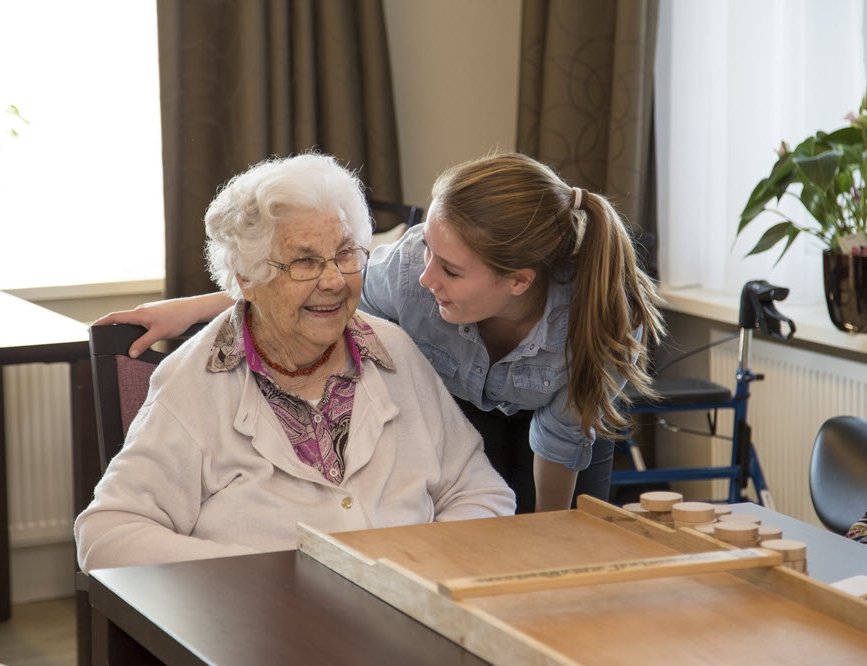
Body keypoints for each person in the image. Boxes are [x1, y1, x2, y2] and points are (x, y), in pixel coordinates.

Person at [93, 152, 665, 514]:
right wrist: (199, 306)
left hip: (563, 438)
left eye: (451, 269)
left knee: (556, 549)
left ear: (518, 281)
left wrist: (546, 546)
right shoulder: (413, 270)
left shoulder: (596, 320)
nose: (425, 276)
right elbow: (315, 289)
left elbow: (554, 448)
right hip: (467, 408)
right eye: (428, 251)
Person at [75, 153, 515, 573]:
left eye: (346, 254)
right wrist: (263, 580)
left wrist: (426, 567)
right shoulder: (199, 381)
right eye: (304, 261)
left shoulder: (393, 350)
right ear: (246, 279)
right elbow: (109, 533)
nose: (334, 281)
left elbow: (479, 490)